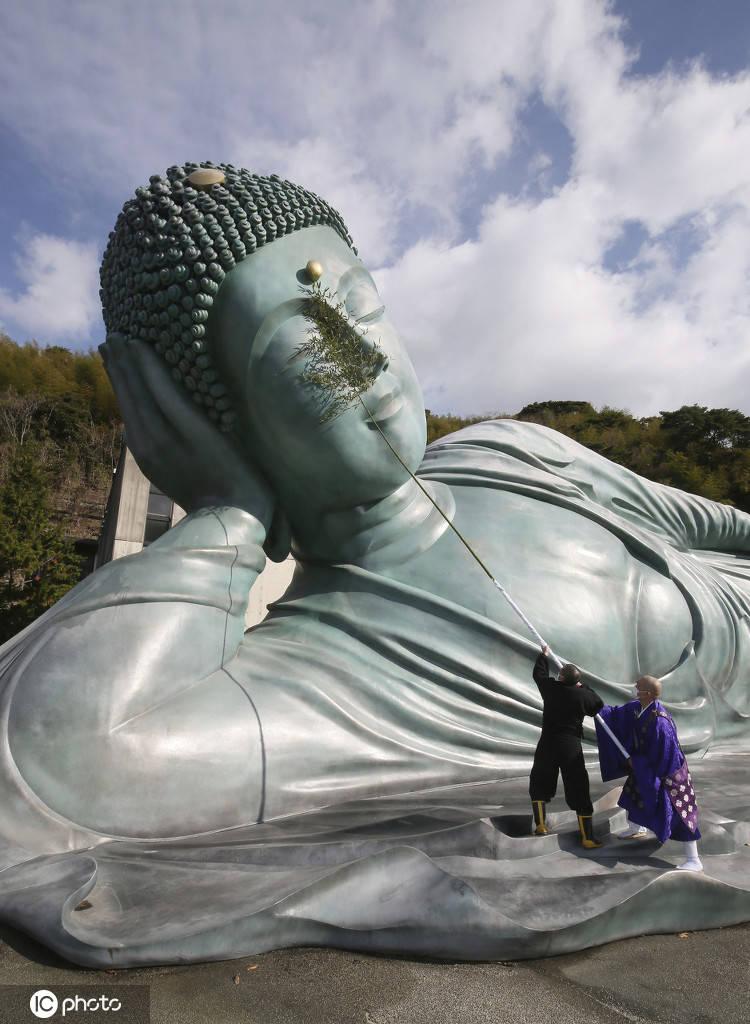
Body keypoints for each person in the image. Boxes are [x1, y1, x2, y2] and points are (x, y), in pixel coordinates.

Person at [0, 162, 745, 964]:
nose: (362, 360)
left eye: (360, 306)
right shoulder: (322, 672)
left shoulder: (512, 450)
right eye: (303, 348)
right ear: (218, 426)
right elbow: (63, 759)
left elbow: (720, 525)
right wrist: (226, 512)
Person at [596, 676, 702, 870]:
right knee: (632, 793)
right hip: (647, 768)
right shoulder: (639, 707)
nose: (635, 687)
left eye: (639, 686)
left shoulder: (661, 723)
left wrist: (635, 762)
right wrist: (594, 705)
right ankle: (637, 828)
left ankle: (694, 859)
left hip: (669, 775)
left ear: (649, 694)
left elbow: (664, 757)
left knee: (681, 813)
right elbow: (616, 715)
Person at [530, 644, 604, 847]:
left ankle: (540, 825)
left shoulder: (551, 689)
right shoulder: (582, 696)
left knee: (540, 781)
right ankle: (588, 838)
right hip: (570, 745)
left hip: (548, 742)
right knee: (578, 785)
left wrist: (543, 655)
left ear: (561, 677)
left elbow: (539, 674)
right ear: (577, 681)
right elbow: (598, 704)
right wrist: (583, 687)